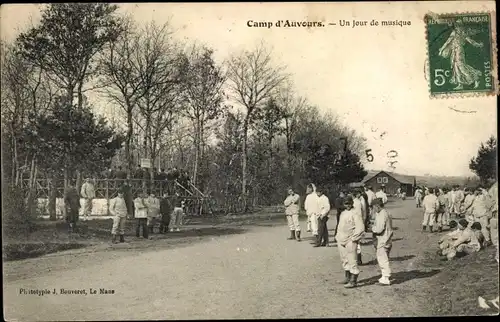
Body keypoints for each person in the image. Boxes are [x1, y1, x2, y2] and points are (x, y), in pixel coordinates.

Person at [335, 196, 365, 288]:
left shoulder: (355, 214)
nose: (347, 205)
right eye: (346, 204)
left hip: (350, 240)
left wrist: (354, 238)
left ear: (352, 203)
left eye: (349, 203)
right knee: (344, 259)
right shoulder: (343, 213)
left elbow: (360, 228)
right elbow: (340, 226)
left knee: (352, 260)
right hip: (341, 239)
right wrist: (337, 236)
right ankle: (347, 277)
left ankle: (353, 281)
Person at [371, 198, 394, 285]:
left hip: (383, 238)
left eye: (374, 207)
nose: (373, 210)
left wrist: (372, 229)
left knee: (382, 258)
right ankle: (384, 276)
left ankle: (386, 277)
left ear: (377, 206)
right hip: (387, 238)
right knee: (384, 257)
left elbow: (379, 229)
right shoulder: (384, 213)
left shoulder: (382, 214)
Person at [352, 189, 366, 264]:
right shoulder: (360, 202)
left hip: (354, 223)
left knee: (353, 241)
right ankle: (359, 259)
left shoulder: (353, 203)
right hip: (360, 221)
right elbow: (364, 212)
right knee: (357, 242)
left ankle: (355, 258)